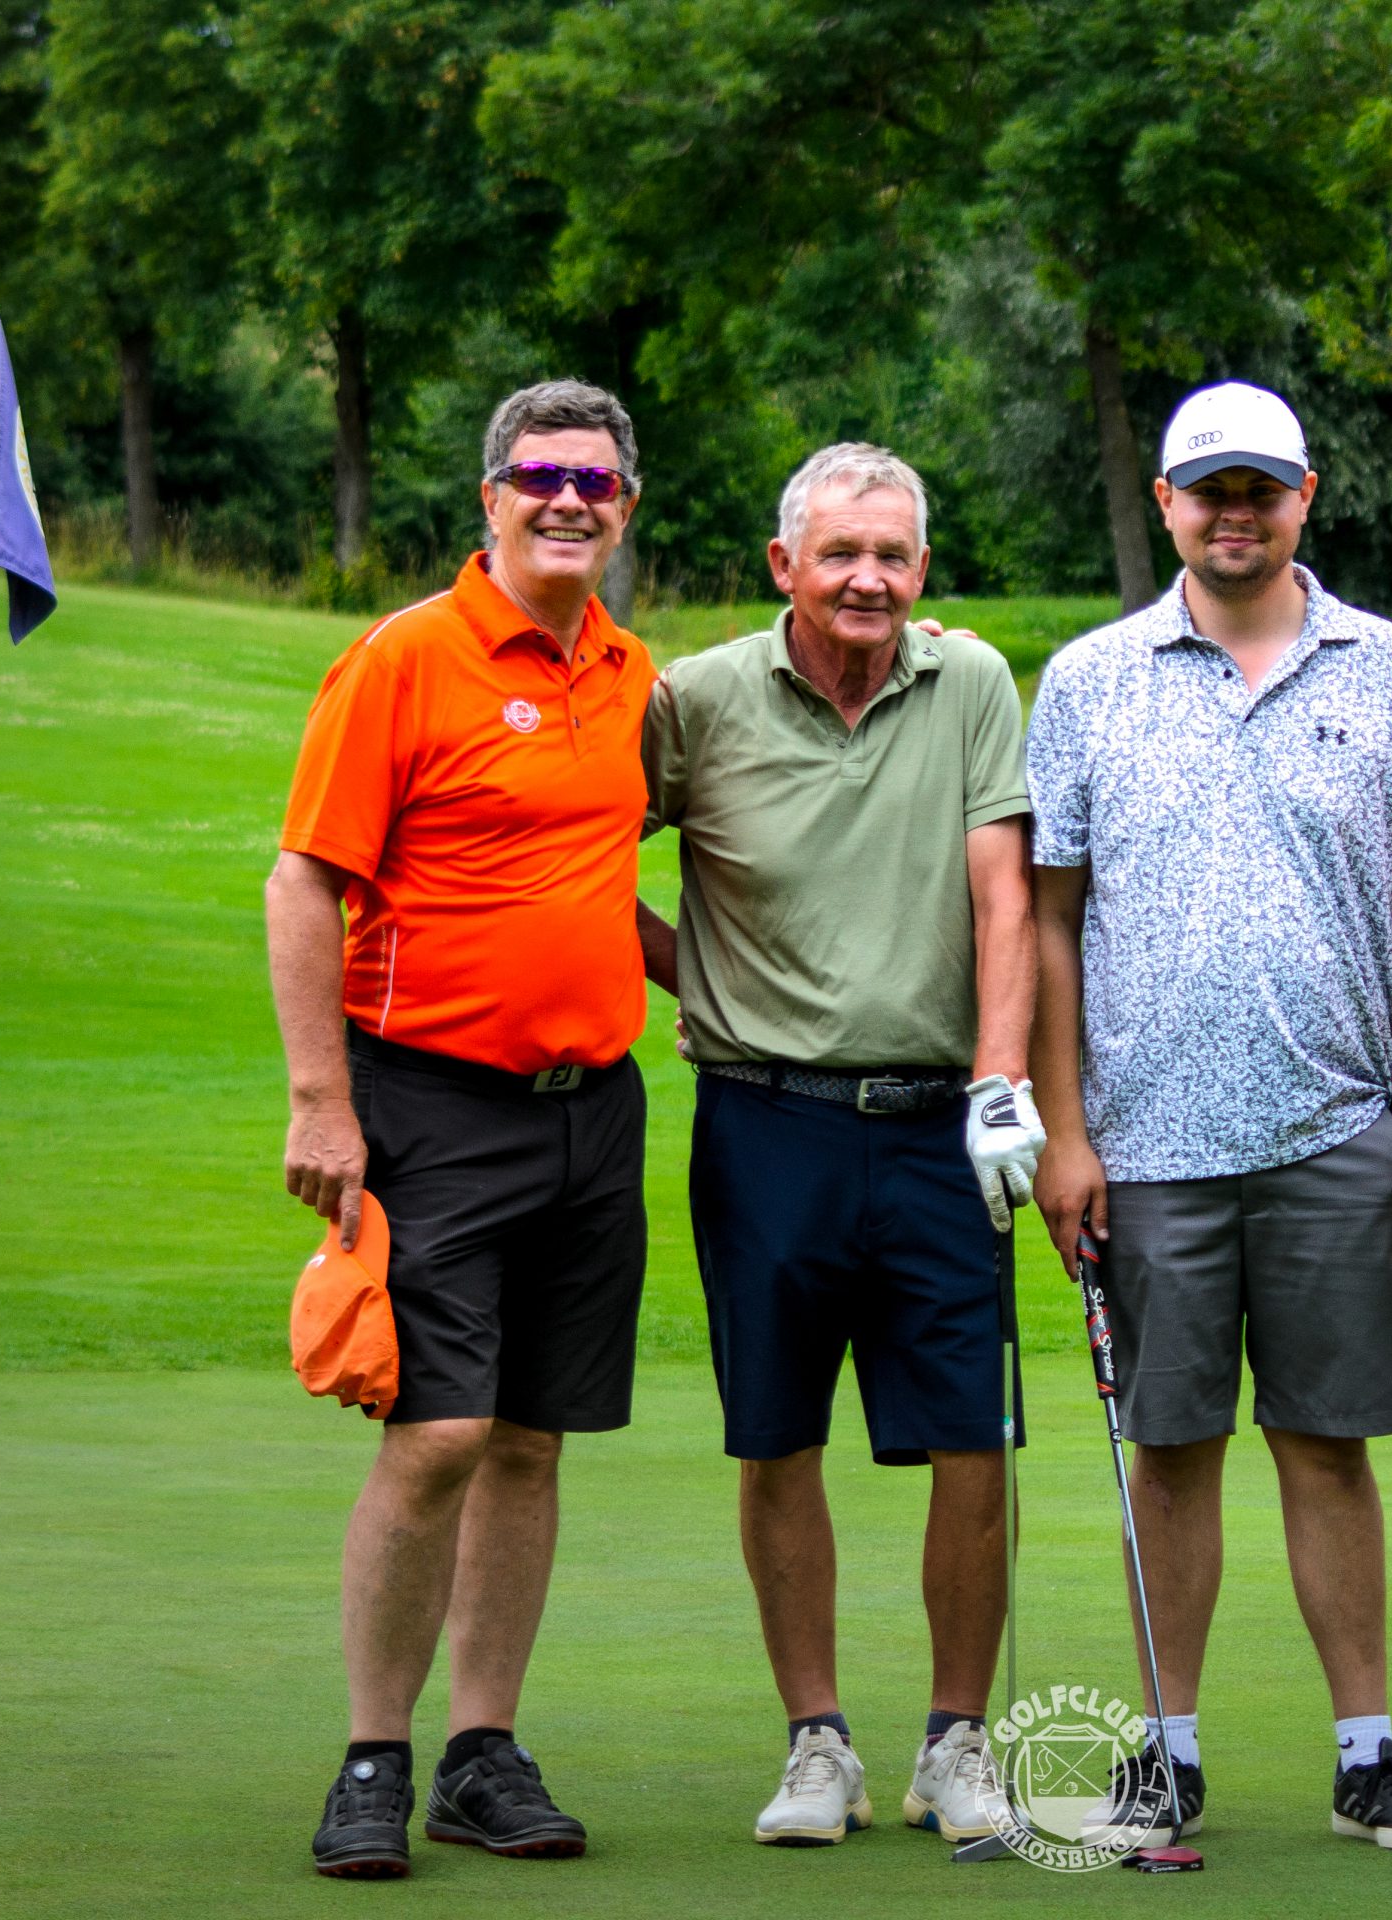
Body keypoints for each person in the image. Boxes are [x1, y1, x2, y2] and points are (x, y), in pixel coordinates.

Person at [1024, 382, 1392, 1853]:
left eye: (1260, 489)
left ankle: (1367, 1755)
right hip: (1146, 1149)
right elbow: (1049, 919)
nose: (1236, 513)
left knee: (1328, 1444)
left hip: (1339, 1134)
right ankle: (1166, 1756)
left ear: (1305, 498)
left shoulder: (1391, 667)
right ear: (1166, 503)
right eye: (1209, 489)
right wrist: (1068, 1134)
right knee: (1170, 1453)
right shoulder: (1090, 679)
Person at [268, 380, 659, 1878]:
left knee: (531, 1442)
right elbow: (304, 882)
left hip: (592, 1115)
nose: (569, 500)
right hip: (429, 1104)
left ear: (624, 509)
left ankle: (482, 1755)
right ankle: (374, 1754)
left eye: (596, 482)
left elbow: (592, 882)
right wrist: (323, 1101)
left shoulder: (627, 671)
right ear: (491, 497)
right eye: (541, 475)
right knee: (438, 1433)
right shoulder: (405, 657)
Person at [635, 443, 1043, 1848]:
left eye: (891, 556)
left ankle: (955, 1742)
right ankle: (818, 1743)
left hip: (941, 1124)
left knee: (974, 1441)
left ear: (921, 570)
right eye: (839, 554)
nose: (867, 579)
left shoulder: (971, 681)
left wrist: (1002, 1081)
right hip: (766, 1123)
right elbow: (577, 857)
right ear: (784, 566)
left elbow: (1003, 897)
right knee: (777, 1435)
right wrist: (696, 977)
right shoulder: (694, 700)